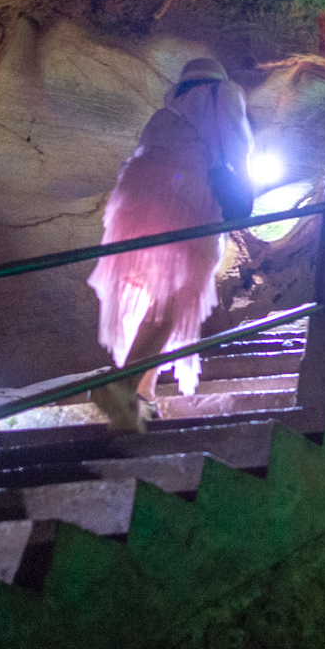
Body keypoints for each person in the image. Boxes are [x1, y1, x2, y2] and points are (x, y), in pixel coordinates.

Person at [86, 57, 253, 430]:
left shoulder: (165, 113)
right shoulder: (221, 94)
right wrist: (243, 193)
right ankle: (122, 385)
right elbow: (236, 147)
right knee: (177, 300)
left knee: (158, 300)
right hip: (186, 199)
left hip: (134, 203)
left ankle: (141, 399)